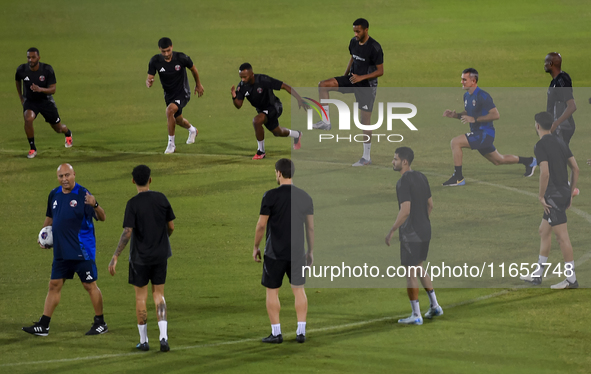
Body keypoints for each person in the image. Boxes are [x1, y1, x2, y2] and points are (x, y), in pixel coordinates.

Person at [23, 163, 107, 336]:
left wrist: (95, 204)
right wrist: (43, 236)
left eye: (67, 175)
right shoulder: (54, 194)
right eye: (61, 176)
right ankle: (44, 325)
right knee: (54, 285)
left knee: (89, 285)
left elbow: (102, 217)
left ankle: (100, 322)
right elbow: (50, 217)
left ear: (74, 174)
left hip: (81, 250)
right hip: (61, 251)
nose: (64, 179)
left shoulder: (83, 194)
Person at [108, 165, 175, 352]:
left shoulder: (132, 204)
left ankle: (144, 341)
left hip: (140, 258)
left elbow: (127, 232)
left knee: (141, 297)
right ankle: (163, 337)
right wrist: (163, 240)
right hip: (161, 255)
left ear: (133, 181)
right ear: (150, 179)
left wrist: (115, 256)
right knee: (159, 295)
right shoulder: (161, 198)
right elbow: (171, 226)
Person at [253, 159, 314, 343]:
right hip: (297, 253)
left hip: (274, 253)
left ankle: (276, 333)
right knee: (299, 290)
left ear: (279, 173)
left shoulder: (270, 196)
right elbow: (310, 228)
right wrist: (310, 251)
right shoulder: (305, 197)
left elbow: (261, 225)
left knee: (272, 292)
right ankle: (301, 332)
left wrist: (256, 246)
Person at [442, 68, 537, 186]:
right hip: (478, 134)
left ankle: (458, 177)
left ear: (473, 81)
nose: (461, 82)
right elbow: (469, 114)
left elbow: (496, 115)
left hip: (485, 134)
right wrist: (455, 115)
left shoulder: (483, 96)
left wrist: (475, 119)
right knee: (498, 160)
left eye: (464, 79)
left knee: (455, 142)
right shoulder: (467, 96)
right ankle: (529, 161)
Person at [311, 18, 384, 166]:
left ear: (366, 30)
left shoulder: (375, 47)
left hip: (366, 86)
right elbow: (352, 58)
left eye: (358, 31)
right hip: (352, 79)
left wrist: (361, 77)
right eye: (354, 31)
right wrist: (344, 77)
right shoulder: (353, 42)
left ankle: (366, 157)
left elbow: (380, 71)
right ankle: (325, 121)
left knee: (365, 122)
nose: (356, 34)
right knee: (323, 85)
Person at [521, 112, 579, 289]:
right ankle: (537, 275)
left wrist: (541, 196)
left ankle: (571, 279)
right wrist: (569, 193)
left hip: (552, 196)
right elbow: (575, 169)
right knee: (543, 231)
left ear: (537, 125)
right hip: (561, 193)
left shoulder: (540, 145)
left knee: (562, 238)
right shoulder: (560, 141)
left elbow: (544, 172)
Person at [385, 147, 442, 325]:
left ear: (404, 162)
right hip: (426, 229)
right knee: (418, 267)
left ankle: (416, 314)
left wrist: (393, 229)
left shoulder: (403, 182)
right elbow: (430, 204)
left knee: (410, 272)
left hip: (411, 233)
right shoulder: (422, 177)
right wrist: (422, 221)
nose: (392, 162)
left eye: (395, 159)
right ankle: (435, 306)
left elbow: (406, 210)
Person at [231, 63, 308, 160]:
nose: (243, 79)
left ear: (252, 74)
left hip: (274, 106)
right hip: (263, 111)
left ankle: (261, 151)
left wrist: (299, 99)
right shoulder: (242, 86)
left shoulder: (263, 80)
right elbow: (238, 105)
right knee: (277, 132)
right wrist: (234, 96)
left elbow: (284, 86)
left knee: (257, 121)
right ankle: (297, 134)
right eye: (241, 77)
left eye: (245, 77)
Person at [147, 37, 204, 154]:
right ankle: (192, 130)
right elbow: (149, 77)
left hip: (183, 92)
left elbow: (193, 69)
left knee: (169, 111)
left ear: (172, 47)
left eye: (168, 50)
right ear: (159, 49)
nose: (166, 54)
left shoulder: (181, 58)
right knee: (178, 120)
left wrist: (198, 84)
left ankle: (171, 145)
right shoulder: (155, 61)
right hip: (169, 95)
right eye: (164, 51)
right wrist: (149, 82)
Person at [15, 48, 73, 159]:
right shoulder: (21, 69)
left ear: (38, 58)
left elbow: (53, 89)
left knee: (58, 128)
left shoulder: (47, 70)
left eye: (33, 57)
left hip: (46, 101)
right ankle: (32, 148)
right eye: (28, 57)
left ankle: (68, 133)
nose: (30, 60)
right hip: (31, 102)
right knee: (28, 118)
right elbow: (17, 81)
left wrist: (40, 89)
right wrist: (21, 98)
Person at [544, 52, 577, 144]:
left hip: (562, 127)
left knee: (560, 154)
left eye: (546, 62)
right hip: (556, 126)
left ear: (551, 64)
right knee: (560, 154)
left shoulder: (562, 80)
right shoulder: (554, 81)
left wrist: (556, 123)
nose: (544, 65)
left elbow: (572, 106)